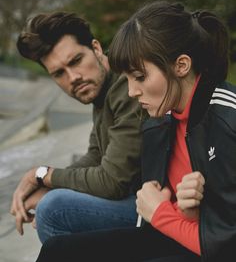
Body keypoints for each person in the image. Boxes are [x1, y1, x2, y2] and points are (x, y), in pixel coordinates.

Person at [10, 0, 236, 262]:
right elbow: (104, 163)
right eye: (128, 78)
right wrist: (174, 211)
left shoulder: (226, 121)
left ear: (181, 65)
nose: (132, 91)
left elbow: (225, 248)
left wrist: (163, 213)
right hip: (171, 235)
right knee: (59, 255)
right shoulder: (161, 117)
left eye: (139, 77)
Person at [10, 12, 145, 243]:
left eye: (75, 61)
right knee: (55, 200)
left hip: (156, 213)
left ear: (96, 48)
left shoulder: (126, 85)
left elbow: (113, 182)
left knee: (54, 210)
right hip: (136, 201)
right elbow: (95, 155)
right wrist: (51, 185)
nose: (73, 77)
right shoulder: (101, 91)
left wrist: (42, 176)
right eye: (59, 73)